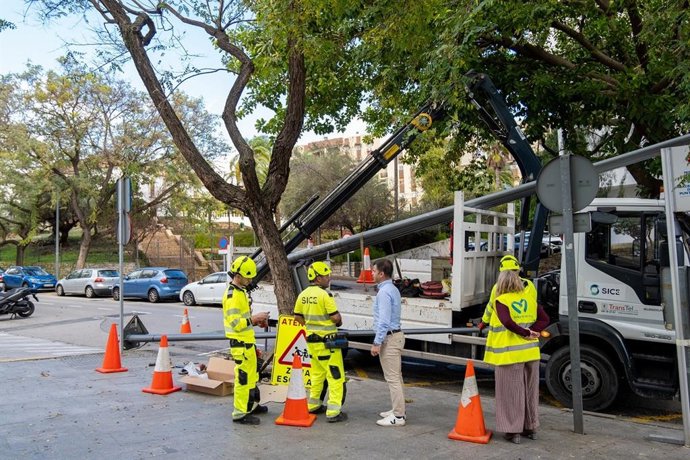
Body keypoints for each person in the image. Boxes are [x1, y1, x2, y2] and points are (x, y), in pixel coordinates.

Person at [482, 255, 549, 444]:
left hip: (509, 353)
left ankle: (513, 432)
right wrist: (532, 332)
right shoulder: (529, 293)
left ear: (501, 275)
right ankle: (532, 427)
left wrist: (483, 323)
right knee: (530, 391)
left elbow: (504, 320)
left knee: (510, 393)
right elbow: (543, 318)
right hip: (531, 352)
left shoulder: (500, 296)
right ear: (518, 271)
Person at [293, 261, 348, 423]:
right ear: (317, 278)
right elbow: (335, 318)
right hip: (328, 343)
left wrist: (311, 326)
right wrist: (337, 322)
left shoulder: (302, 295)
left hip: (312, 342)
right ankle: (334, 411)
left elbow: (297, 317)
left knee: (317, 374)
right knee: (335, 376)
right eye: (325, 275)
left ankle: (314, 404)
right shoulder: (325, 295)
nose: (328, 278)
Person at [223, 256, 270, 425]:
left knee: (251, 377)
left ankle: (251, 406)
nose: (250, 280)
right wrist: (254, 319)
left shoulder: (240, 292)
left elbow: (242, 321)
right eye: (248, 277)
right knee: (243, 379)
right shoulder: (233, 296)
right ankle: (240, 413)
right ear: (238, 275)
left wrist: (256, 321)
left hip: (246, 343)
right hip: (240, 345)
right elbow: (236, 324)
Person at [370, 258, 406, 427]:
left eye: (374, 271)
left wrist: (377, 343)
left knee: (392, 379)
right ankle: (397, 410)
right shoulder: (393, 289)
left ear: (381, 274)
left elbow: (384, 321)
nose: (372, 273)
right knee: (396, 377)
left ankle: (398, 417)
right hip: (395, 335)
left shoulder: (384, 293)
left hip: (389, 338)